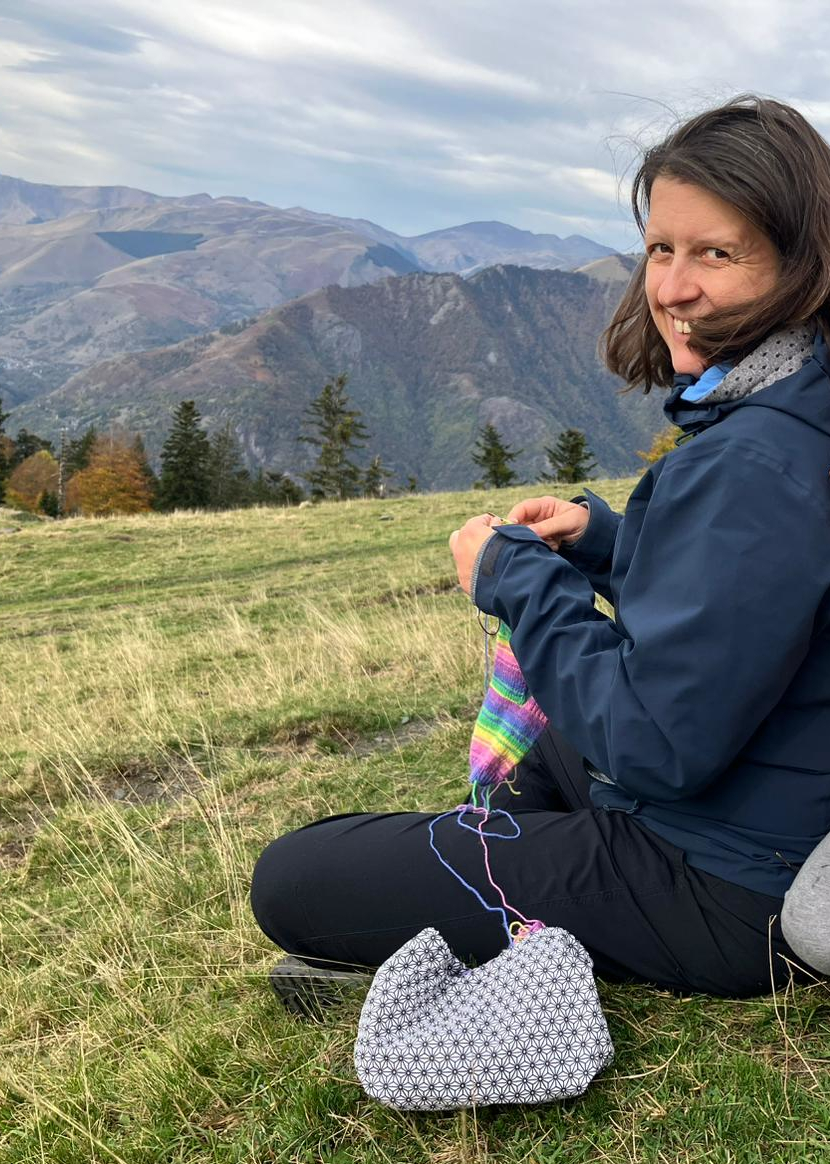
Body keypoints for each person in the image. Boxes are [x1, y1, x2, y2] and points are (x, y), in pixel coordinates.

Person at [251, 95, 830, 1007]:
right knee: (547, 749)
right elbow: (759, 600)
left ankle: (481, 915)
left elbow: (656, 747)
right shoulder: (799, 409)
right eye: (660, 249)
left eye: (716, 253)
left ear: (803, 265)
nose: (672, 287)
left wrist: (514, 578)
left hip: (723, 883)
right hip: (766, 804)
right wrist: (606, 543)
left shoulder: (759, 461)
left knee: (294, 877)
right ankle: (488, 894)